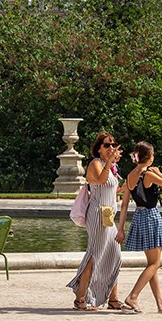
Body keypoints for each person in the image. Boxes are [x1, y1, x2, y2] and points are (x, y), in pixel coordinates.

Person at [118, 142, 162, 313]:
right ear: (149, 157)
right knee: (155, 263)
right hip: (151, 216)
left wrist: (121, 229)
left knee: (152, 263)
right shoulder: (149, 174)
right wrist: (160, 173)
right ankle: (133, 297)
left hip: (138, 216)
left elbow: (124, 206)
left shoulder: (130, 176)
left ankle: (160, 303)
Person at [66, 132, 124, 311]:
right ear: (98, 148)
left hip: (108, 215)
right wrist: (109, 162)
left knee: (115, 255)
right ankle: (81, 298)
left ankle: (112, 298)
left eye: (113, 145)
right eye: (107, 145)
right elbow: (100, 180)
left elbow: (112, 189)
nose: (111, 148)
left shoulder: (111, 167)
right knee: (94, 255)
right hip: (97, 215)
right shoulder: (95, 164)